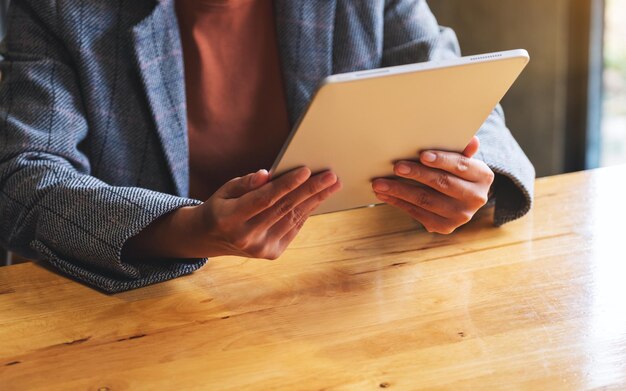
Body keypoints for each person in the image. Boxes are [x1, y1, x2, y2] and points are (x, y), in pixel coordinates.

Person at [0, 0, 534, 293]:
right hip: (142, 312)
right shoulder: (58, 9)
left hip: (331, 290)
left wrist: (471, 177)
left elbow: (464, 95)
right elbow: (23, 180)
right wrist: (186, 230)